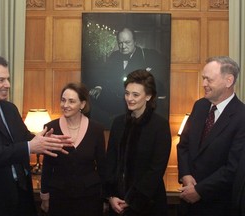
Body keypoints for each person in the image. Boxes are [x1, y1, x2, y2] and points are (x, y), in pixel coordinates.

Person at [0, 55, 73, 216]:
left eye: (8, 79)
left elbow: (23, 136)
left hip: (21, 194)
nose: (8, 85)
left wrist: (45, 141)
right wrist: (29, 147)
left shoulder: (10, 108)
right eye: (1, 80)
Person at [177, 56, 245, 216]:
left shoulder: (241, 116)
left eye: (209, 79)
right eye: (203, 78)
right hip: (187, 204)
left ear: (229, 81)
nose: (203, 84)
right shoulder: (199, 106)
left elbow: (233, 167)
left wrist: (199, 190)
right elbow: (183, 145)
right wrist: (185, 175)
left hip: (219, 205)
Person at [104, 69, 172, 215]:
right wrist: (111, 196)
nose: (130, 98)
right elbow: (110, 162)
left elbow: (156, 169)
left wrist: (132, 200)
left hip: (147, 205)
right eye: (127, 93)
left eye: (135, 94)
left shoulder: (160, 126)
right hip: (117, 202)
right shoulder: (118, 123)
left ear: (148, 96)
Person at [40, 82, 106, 216]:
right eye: (63, 100)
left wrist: (105, 196)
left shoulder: (96, 129)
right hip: (59, 197)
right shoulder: (51, 128)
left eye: (71, 101)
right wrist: (44, 195)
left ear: (82, 104)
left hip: (90, 198)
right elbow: (47, 165)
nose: (65, 105)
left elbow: (102, 166)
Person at [88, 27, 170, 129]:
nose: (123, 46)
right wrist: (99, 87)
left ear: (135, 41)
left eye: (127, 42)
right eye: (120, 43)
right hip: (115, 105)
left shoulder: (148, 56)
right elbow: (105, 75)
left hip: (138, 108)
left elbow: (158, 83)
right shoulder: (114, 56)